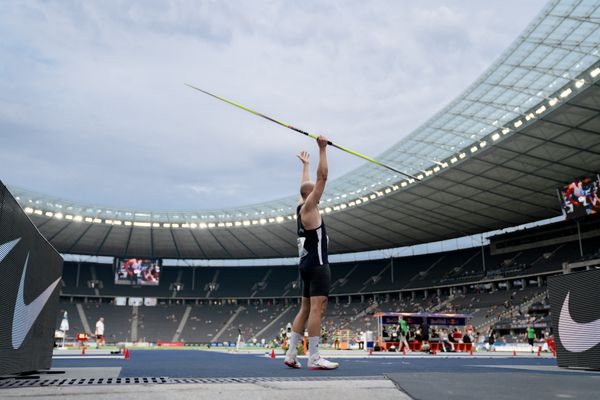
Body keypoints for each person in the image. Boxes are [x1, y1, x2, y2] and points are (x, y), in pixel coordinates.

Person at [284, 136, 338, 370]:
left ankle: (290, 354)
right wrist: (322, 149)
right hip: (317, 265)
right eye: (314, 192)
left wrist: (305, 165)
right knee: (318, 309)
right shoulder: (309, 208)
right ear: (311, 196)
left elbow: (306, 185)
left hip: (305, 266)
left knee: (304, 309)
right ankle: (314, 357)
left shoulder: (299, 205)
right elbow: (322, 178)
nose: (318, 192)